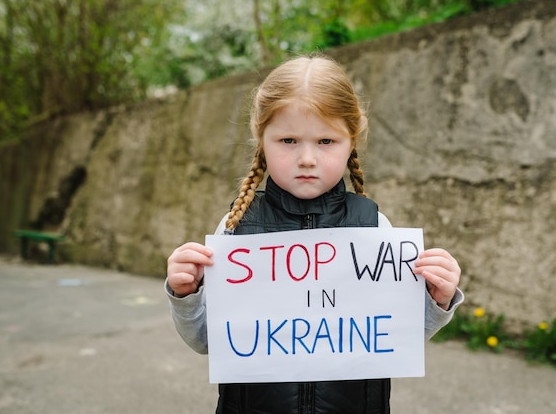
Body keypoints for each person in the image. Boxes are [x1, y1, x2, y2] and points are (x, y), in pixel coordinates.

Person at [165, 53, 464, 413]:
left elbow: (396, 340)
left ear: (352, 141)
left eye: (326, 141)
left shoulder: (374, 229)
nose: (307, 158)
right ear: (261, 138)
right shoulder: (235, 230)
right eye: (288, 140)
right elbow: (205, 340)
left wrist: (437, 301)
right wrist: (186, 293)